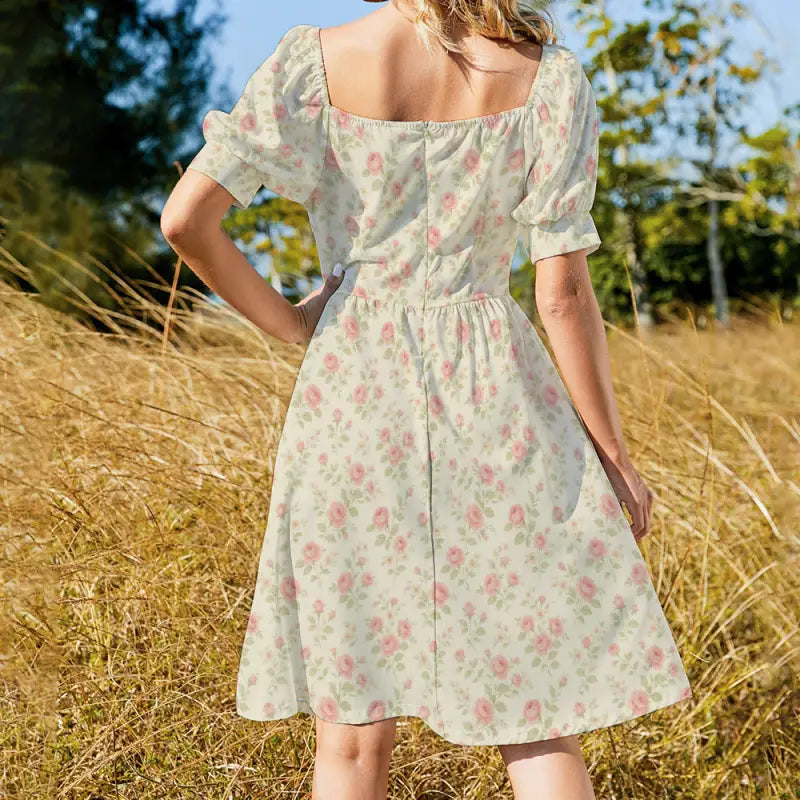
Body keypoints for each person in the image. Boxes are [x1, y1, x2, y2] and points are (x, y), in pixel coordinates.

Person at [160, 2, 693, 798]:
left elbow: (186, 221)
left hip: (352, 394)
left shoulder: (317, 61)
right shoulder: (546, 77)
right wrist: (612, 456)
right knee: (535, 718)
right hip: (497, 395)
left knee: (351, 736)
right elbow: (563, 294)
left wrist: (294, 323)